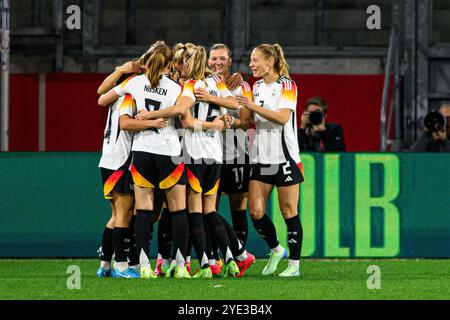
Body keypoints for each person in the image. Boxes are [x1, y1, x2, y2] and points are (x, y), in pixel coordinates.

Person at [136, 45, 242, 278]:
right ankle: (230, 260)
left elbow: (184, 118)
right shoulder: (215, 81)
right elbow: (236, 104)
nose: (177, 67)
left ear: (188, 63)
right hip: (215, 155)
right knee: (210, 211)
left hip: (193, 154)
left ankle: (201, 264)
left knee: (192, 211)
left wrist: (149, 115)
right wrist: (215, 114)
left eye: (181, 62)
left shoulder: (189, 86)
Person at [98, 41, 191, 279]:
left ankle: (143, 266)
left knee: (143, 210)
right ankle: (180, 266)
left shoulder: (134, 83)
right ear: (170, 64)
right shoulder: (175, 87)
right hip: (169, 150)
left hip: (141, 151)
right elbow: (182, 112)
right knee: (178, 209)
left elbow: (102, 97)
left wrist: (121, 71)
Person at [236, 43, 304, 277]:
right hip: (260, 157)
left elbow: (283, 118)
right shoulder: (254, 87)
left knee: (289, 211)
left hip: (284, 157)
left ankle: (294, 265)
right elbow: (246, 116)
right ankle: (276, 249)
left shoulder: (287, 85)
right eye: (251, 60)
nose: (251, 64)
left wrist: (251, 106)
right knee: (255, 211)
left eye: (255, 60)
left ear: (270, 61)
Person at [96, 60, 166, 278]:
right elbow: (126, 124)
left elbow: (100, 95)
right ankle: (122, 266)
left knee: (117, 214)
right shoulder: (129, 96)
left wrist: (119, 70)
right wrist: (152, 122)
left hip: (109, 159)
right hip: (120, 161)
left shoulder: (118, 94)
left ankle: (105, 264)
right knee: (124, 214)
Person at [206, 43, 256, 277]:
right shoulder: (203, 83)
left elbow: (246, 121)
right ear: (207, 61)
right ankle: (215, 257)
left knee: (238, 207)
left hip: (235, 152)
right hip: (209, 153)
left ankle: (239, 258)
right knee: (209, 207)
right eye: (213, 58)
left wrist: (229, 121)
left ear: (229, 60)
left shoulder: (242, 86)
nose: (217, 62)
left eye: (222, 59)